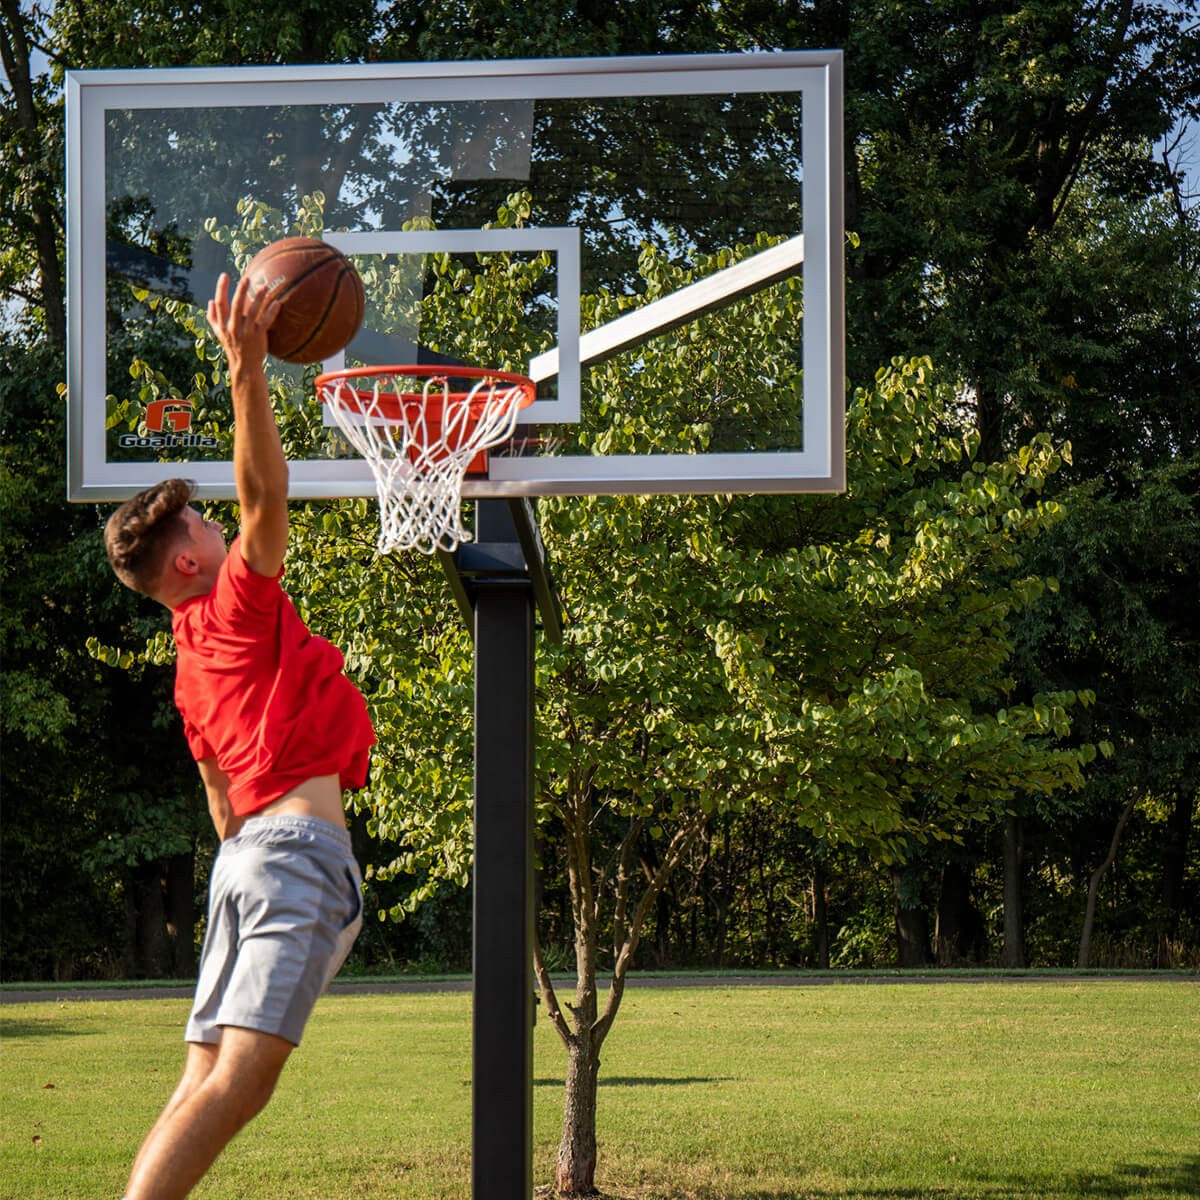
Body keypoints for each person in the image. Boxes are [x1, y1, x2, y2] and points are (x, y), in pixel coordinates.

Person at [103, 274, 376, 1200]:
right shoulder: (230, 608)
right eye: (204, 522)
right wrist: (247, 371)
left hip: (245, 862)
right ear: (189, 559)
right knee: (239, 1084)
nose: (223, 524)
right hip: (293, 854)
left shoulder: (188, 662)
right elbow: (266, 498)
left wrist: (255, 861)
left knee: (201, 1079)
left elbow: (220, 799)